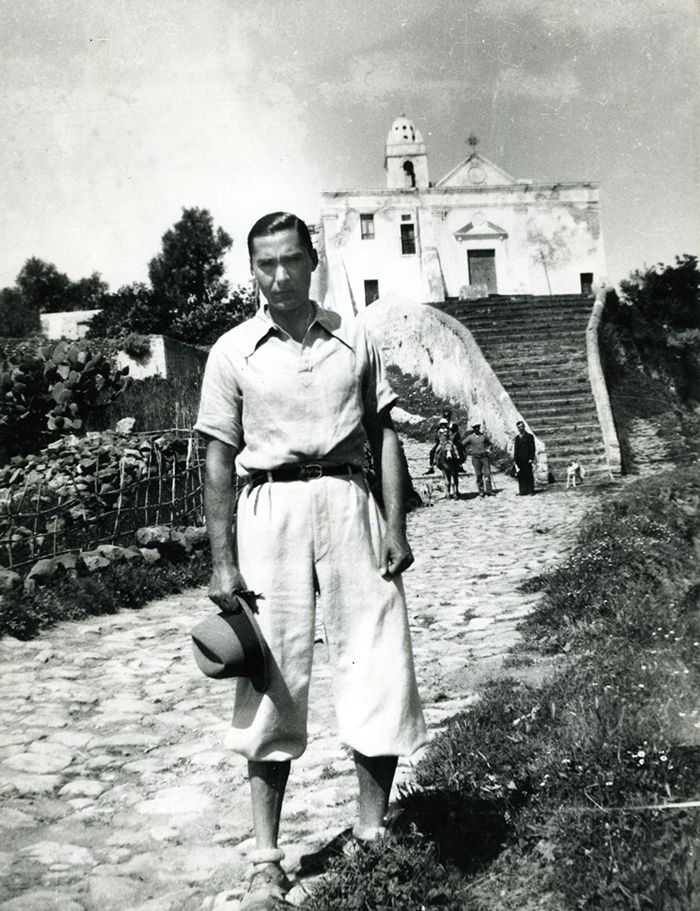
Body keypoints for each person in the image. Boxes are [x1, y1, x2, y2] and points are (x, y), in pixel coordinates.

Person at [195, 212, 427, 910]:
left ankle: (370, 828)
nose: (278, 276)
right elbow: (217, 457)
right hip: (270, 509)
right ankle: (266, 857)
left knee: (376, 654)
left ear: (312, 261)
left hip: (350, 500)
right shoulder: (233, 351)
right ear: (252, 269)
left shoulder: (354, 337)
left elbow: (383, 429)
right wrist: (221, 561)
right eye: (264, 264)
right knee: (273, 674)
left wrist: (394, 523)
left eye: (291, 260)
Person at [427, 409, 464, 474]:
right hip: (442, 441)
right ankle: (431, 466)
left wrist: (453, 438)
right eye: (445, 416)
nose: (447, 418)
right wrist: (439, 439)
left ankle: (460, 464)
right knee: (433, 450)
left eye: (448, 416)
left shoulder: (454, 425)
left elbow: (457, 435)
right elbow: (437, 435)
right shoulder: (440, 426)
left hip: (452, 441)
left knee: (459, 448)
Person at [462, 421, 494, 496]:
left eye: (478, 427)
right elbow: (462, 444)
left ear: (479, 428)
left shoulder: (483, 436)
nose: (476, 429)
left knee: (487, 473)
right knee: (479, 474)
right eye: (475, 427)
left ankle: (489, 490)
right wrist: (468, 451)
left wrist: (489, 450)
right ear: (473, 429)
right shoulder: (470, 437)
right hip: (475, 458)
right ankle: (481, 491)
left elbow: (490, 444)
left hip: (484, 457)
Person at [513, 421, 536, 495]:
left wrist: (531, 458)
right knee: (521, 475)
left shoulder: (529, 436)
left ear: (524, 427)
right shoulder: (517, 438)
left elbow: (532, 448)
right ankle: (523, 491)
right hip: (519, 459)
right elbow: (516, 449)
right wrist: (515, 459)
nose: (520, 428)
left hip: (527, 459)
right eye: (518, 427)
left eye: (521, 426)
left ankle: (530, 490)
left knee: (528, 474)